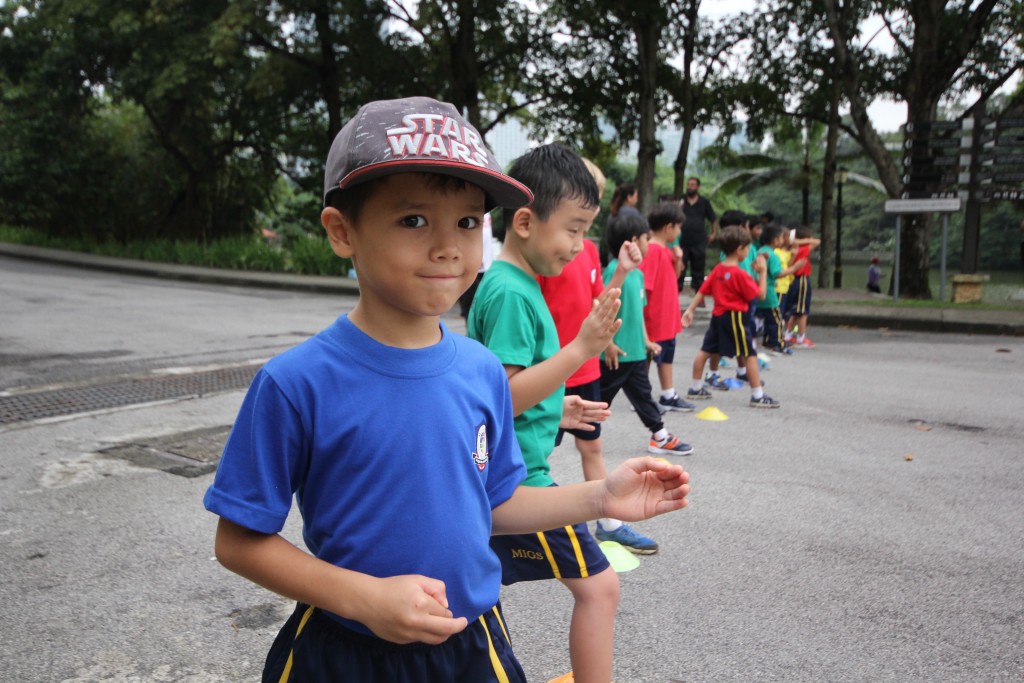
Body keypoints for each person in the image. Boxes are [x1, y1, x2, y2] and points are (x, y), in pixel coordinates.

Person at [203, 97, 690, 683]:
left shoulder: (481, 371)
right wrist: (361, 597)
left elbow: (495, 504)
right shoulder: (295, 383)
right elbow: (238, 541)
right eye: (414, 220)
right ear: (342, 231)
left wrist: (601, 498)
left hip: (473, 644)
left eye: (466, 222)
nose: (448, 247)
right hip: (345, 652)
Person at [468, 143, 672, 683]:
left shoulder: (517, 284)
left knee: (475, 594)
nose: (580, 245)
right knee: (601, 588)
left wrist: (555, 408)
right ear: (525, 222)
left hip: (506, 473)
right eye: (574, 230)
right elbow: (501, 397)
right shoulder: (512, 293)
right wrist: (581, 349)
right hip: (518, 483)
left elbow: (501, 391)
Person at [538, 159, 659, 555]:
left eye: (598, 196)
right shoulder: (544, 252)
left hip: (586, 368)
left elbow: (598, 301)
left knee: (592, 447)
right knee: (534, 451)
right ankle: (516, 520)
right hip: (550, 371)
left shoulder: (588, 249)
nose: (593, 204)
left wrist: (621, 272)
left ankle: (609, 525)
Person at [602, 211, 695, 457]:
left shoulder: (639, 274)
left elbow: (638, 314)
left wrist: (646, 341)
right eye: (646, 238)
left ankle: (660, 436)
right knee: (596, 401)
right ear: (634, 241)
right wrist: (608, 343)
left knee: (643, 396)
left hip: (634, 353)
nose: (648, 242)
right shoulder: (614, 272)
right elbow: (603, 309)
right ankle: (567, 431)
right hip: (615, 355)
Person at [681, 225, 780, 408]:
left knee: (705, 351)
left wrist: (690, 310)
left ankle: (695, 387)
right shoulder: (740, 274)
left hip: (718, 316)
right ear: (739, 249)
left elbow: (702, 290)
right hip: (737, 318)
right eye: (747, 248)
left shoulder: (718, 269)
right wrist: (763, 273)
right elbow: (760, 295)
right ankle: (757, 395)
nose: (749, 252)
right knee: (750, 354)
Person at [641, 201, 695, 413]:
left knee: (666, 356)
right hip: (655, 317)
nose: (680, 231)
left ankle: (668, 394)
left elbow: (675, 275)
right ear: (668, 227)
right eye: (678, 227)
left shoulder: (666, 250)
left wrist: (677, 259)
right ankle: (642, 397)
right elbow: (645, 286)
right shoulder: (653, 250)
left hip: (666, 317)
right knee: (646, 357)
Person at [755, 223, 807, 352]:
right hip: (769, 292)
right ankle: (778, 343)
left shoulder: (760, 251)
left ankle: (768, 340)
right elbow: (777, 273)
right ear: (775, 240)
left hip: (758, 290)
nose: (783, 240)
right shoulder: (772, 255)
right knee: (776, 319)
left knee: (767, 318)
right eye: (781, 238)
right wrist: (794, 268)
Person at [677, 176, 719, 297]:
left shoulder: (704, 202)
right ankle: (676, 294)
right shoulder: (681, 200)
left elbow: (713, 219)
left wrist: (713, 233)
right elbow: (673, 215)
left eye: (692, 185)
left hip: (699, 241)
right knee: (680, 267)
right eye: (688, 184)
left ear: (698, 187)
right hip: (682, 240)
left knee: (699, 269)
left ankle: (699, 296)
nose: (690, 187)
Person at [782, 226, 822, 348]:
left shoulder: (789, 250)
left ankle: (788, 335)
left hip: (794, 280)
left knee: (796, 310)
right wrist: (802, 241)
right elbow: (817, 241)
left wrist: (795, 241)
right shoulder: (803, 249)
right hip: (802, 279)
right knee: (802, 311)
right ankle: (800, 338)